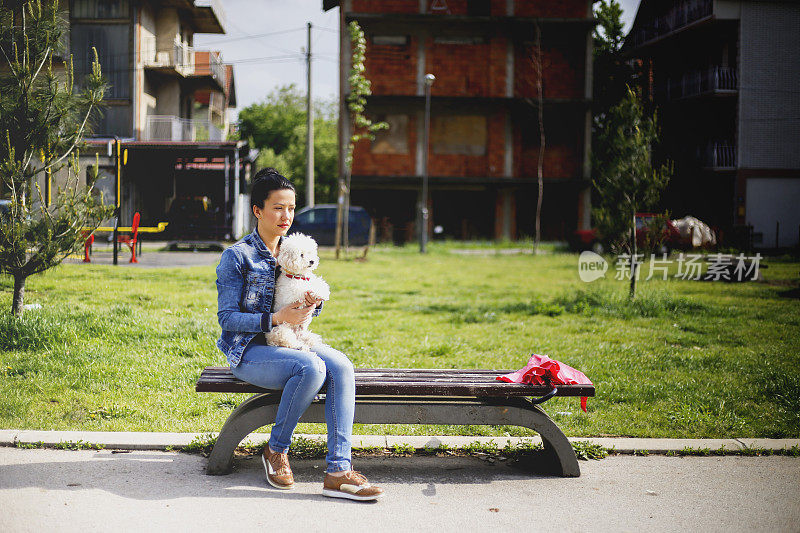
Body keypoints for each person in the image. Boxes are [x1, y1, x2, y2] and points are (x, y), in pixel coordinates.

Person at [215, 168, 383, 501]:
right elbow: (227, 318)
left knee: (342, 367)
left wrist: (310, 305)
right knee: (311, 367)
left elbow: (304, 305)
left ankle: (338, 471)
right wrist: (275, 317)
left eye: (291, 208)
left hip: (293, 340)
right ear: (258, 210)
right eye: (278, 207)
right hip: (250, 351)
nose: (286, 216)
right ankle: (276, 450)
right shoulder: (237, 257)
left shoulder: (295, 251)